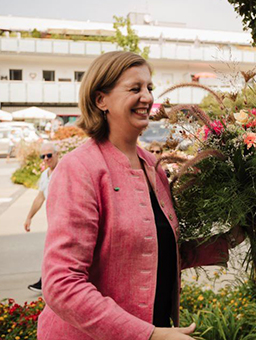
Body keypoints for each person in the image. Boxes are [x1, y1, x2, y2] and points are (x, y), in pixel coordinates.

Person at [38, 51, 245, 340]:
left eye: (149, 88)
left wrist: (234, 237)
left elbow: (153, 252)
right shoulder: (80, 169)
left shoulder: (153, 167)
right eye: (134, 88)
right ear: (101, 100)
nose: (147, 97)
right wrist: (149, 335)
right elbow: (62, 284)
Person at [23, 141, 59, 293]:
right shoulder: (45, 174)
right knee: (53, 252)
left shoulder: (64, 170)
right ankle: (47, 282)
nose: (46, 159)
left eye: (49, 155)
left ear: (57, 154)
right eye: (42, 156)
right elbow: (40, 197)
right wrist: (29, 217)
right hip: (53, 220)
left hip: (64, 220)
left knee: (53, 251)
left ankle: (44, 282)